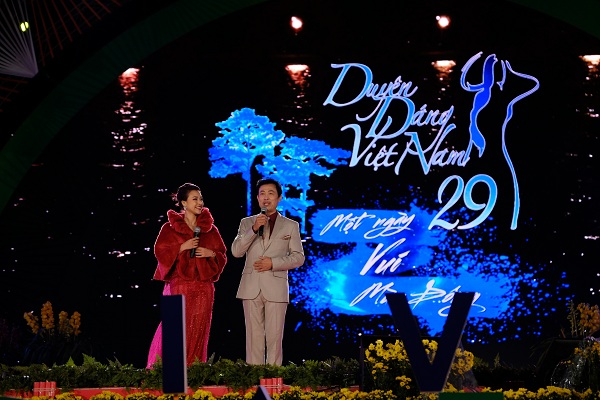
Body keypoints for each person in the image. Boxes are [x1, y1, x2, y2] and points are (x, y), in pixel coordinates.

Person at [146, 183, 227, 368]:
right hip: (179, 284)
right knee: (174, 327)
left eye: (201, 199)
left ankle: (193, 371)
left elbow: (222, 254)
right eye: (195, 199)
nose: (200, 202)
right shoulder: (169, 228)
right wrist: (182, 247)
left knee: (198, 329)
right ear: (183, 202)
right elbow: (160, 252)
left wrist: (211, 253)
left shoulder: (210, 230)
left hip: (204, 287)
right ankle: (167, 371)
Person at [231, 178, 305, 366]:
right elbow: (236, 251)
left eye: (271, 193)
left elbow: (298, 257)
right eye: (262, 194)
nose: (266, 198)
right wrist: (254, 229)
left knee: (274, 339)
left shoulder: (291, 225)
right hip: (251, 286)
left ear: (279, 198)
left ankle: (273, 379)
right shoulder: (247, 223)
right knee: (253, 338)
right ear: (257, 198)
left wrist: (273, 263)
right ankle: (254, 379)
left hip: (276, 286)